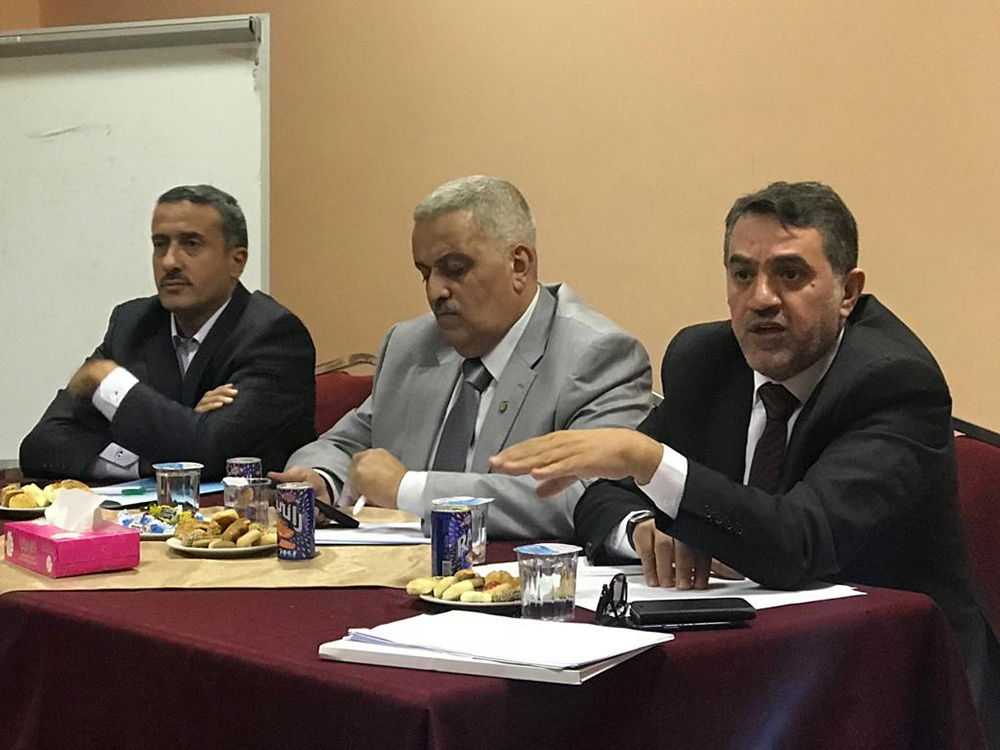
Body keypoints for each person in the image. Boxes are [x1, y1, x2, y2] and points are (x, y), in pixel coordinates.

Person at [491, 181, 999, 742]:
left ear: (848, 292)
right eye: (742, 275)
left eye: (790, 274)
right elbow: (605, 497)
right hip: (753, 661)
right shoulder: (707, 361)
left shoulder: (892, 382)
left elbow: (798, 541)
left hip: (893, 683)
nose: (761, 298)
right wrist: (643, 530)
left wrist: (647, 459)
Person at [277, 175, 651, 539]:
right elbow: (344, 444)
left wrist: (409, 490)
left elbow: (588, 496)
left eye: (455, 269)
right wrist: (322, 478)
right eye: (425, 273)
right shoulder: (411, 344)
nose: (435, 291)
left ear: (519, 265)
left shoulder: (597, 355)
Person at [19, 184, 316, 481]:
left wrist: (109, 382)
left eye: (191, 244)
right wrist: (149, 461)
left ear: (236, 262)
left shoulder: (273, 335)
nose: (169, 261)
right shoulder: (132, 324)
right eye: (160, 244)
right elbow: (42, 445)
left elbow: (214, 453)